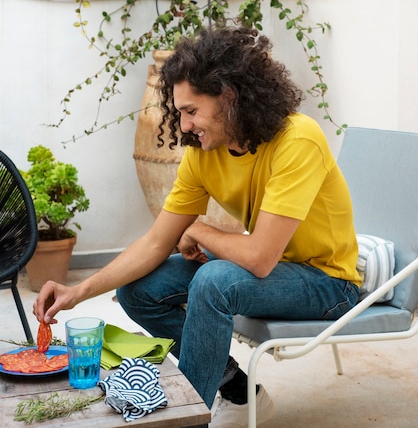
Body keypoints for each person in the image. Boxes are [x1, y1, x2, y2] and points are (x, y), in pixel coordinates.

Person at [33, 27, 361, 427]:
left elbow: (258, 259)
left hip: (328, 283)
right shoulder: (204, 153)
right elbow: (157, 242)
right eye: (181, 112)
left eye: (191, 111)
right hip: (276, 270)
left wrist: (201, 231)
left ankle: (187, 420)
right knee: (139, 290)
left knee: (213, 280)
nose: (184, 125)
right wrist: (77, 292)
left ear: (229, 97)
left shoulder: (297, 139)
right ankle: (239, 391)